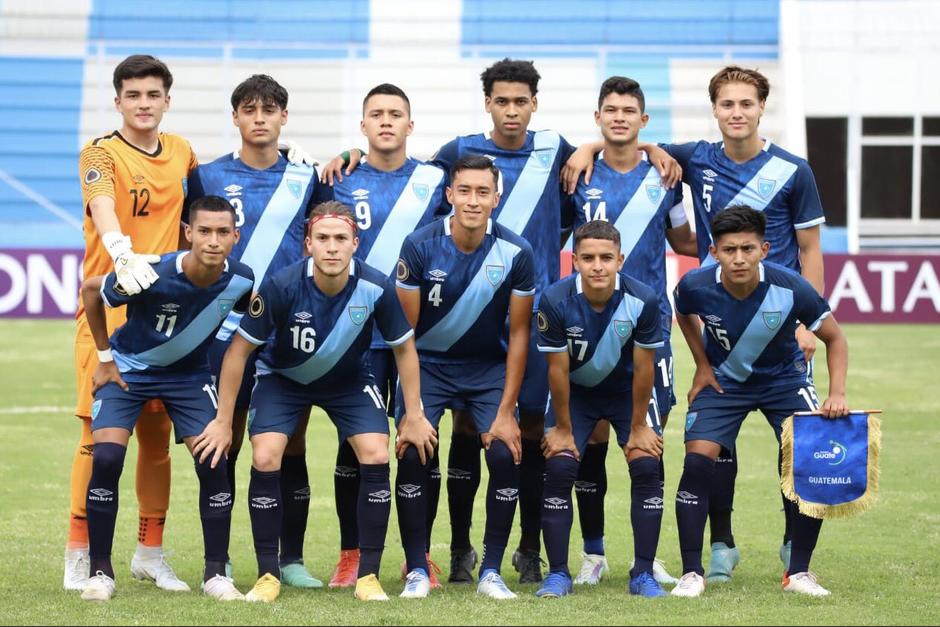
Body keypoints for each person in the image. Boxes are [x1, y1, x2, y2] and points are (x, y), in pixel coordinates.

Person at [565, 66, 827, 580]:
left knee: (796, 442)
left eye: (746, 104)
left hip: (779, 323)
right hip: (723, 324)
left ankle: (793, 545)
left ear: (761, 108)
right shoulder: (696, 158)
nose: (737, 113)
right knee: (714, 438)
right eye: (727, 104)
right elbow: (628, 140)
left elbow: (811, 249)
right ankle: (721, 544)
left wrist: (807, 323)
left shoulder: (794, 170)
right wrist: (590, 148)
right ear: (714, 110)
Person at [214, 201, 433, 603]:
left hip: (348, 382)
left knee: (376, 452)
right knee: (265, 454)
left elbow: (404, 349)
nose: (332, 247)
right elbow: (238, 352)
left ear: (355, 244)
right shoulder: (282, 286)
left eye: (340, 238)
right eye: (323, 238)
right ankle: (268, 574)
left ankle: (368, 576)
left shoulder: (376, 287)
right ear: (308, 245)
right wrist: (223, 420)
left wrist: (414, 414)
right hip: (284, 379)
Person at [185, 73, 330, 588]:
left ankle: (290, 559)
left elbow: (325, 230)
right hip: (222, 330)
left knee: (290, 443)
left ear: (284, 117)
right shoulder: (205, 176)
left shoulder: (307, 177)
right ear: (235, 117)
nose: (260, 118)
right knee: (221, 439)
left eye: (270, 110)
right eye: (249, 109)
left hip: (287, 331)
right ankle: (219, 560)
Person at [77, 196, 254, 602]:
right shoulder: (151, 273)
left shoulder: (243, 280)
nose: (213, 241)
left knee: (214, 459)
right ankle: (100, 573)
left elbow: (246, 323)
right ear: (188, 233)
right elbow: (90, 291)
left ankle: (216, 574)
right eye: (204, 231)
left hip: (189, 377)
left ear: (235, 236)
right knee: (107, 459)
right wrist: (104, 358)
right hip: (129, 370)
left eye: (222, 232)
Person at [669, 205, 848, 598]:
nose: (739, 258)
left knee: (811, 457)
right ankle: (691, 573)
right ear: (714, 252)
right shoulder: (695, 286)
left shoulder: (792, 287)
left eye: (747, 249)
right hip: (724, 382)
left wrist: (836, 394)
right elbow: (682, 313)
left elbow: (835, 339)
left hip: (784, 381)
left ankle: (798, 572)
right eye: (729, 250)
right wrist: (702, 365)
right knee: (696, 462)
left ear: (764, 250)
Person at [68, 54, 196, 593]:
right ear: (117, 101)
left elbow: (202, 213)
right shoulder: (100, 153)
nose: (144, 104)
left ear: (167, 100)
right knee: (96, 436)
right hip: (108, 309)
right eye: (134, 95)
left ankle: (150, 552)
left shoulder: (183, 151)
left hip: (164, 317)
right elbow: (102, 205)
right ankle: (79, 551)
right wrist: (120, 250)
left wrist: (285, 156)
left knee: (157, 438)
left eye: (153, 95)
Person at [562, 76, 696, 586]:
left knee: (649, 440)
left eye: (628, 111)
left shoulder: (665, 177)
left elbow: (683, 241)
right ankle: (593, 553)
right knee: (592, 440)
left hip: (649, 328)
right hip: (587, 327)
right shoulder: (578, 173)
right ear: (597, 117)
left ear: (643, 120)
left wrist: (656, 154)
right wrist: (588, 149)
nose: (619, 118)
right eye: (610, 110)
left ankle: (649, 556)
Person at [394, 155, 535, 599]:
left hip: (487, 369)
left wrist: (507, 412)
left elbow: (519, 334)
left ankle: (491, 572)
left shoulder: (517, 252)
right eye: (465, 191)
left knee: (504, 453)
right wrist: (413, 410)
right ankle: (418, 570)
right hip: (428, 366)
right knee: (413, 451)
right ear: (450, 195)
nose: (473, 201)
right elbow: (405, 335)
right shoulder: (419, 245)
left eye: (483, 192)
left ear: (496, 198)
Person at [324, 83, 447, 588]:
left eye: (396, 114)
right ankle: (350, 555)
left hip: (421, 336)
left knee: (422, 440)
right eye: (376, 114)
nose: (386, 121)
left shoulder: (436, 181)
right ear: (363, 126)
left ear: (410, 125)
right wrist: (343, 156)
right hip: (357, 336)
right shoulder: (340, 180)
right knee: (355, 445)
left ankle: (419, 556)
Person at [536, 220, 671, 599]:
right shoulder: (555, 300)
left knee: (647, 464)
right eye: (589, 258)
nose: (598, 266)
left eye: (606, 258)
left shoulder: (643, 299)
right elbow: (557, 370)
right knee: (559, 466)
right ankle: (558, 574)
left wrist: (639, 426)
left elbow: (644, 369)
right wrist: (563, 428)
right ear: (575, 260)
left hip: (627, 394)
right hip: (577, 395)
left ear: (620, 260)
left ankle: (643, 573)